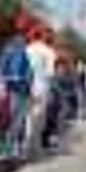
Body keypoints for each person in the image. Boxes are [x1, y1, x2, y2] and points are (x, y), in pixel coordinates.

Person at [0, 11, 33, 162]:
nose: (21, 36)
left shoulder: (23, 49)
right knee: (10, 120)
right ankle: (7, 148)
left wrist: (26, 80)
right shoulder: (10, 49)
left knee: (18, 121)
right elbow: (1, 69)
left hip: (21, 90)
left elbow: (29, 71)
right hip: (12, 90)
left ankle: (13, 149)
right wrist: (7, 80)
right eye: (19, 32)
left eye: (23, 33)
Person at [24, 24, 57, 160]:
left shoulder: (27, 49)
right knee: (39, 120)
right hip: (42, 87)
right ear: (43, 35)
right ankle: (35, 150)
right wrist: (51, 92)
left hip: (27, 87)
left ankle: (26, 148)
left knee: (29, 118)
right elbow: (50, 74)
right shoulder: (48, 52)